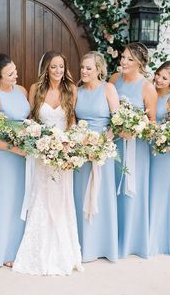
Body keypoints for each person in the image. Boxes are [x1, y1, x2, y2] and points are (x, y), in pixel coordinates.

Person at [13, 51, 83, 275]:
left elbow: (71, 121)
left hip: (63, 153)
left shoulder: (70, 89)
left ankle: (64, 251)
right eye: (54, 67)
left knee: (62, 198)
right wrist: (38, 143)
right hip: (41, 154)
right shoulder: (36, 89)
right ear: (46, 69)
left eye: (61, 66)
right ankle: (38, 250)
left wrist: (69, 148)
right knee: (41, 197)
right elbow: (32, 121)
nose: (58, 71)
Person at [0, 53, 30, 267]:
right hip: (4, 158)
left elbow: (26, 120)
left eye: (15, 70)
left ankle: (19, 250)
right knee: (5, 202)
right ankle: (2, 253)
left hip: (24, 155)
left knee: (21, 202)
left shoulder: (21, 90)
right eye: (10, 73)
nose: (15, 75)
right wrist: (15, 149)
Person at [109, 42, 157, 258]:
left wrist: (135, 129)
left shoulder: (147, 87)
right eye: (123, 57)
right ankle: (111, 238)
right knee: (112, 190)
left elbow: (152, 123)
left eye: (129, 59)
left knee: (132, 192)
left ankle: (131, 243)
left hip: (137, 149)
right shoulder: (114, 80)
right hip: (115, 145)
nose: (124, 62)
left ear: (139, 63)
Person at [74, 51, 119, 262]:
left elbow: (117, 122)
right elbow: (71, 120)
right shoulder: (76, 91)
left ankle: (103, 245)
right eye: (82, 67)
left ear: (99, 70)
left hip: (104, 150)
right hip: (81, 151)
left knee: (102, 195)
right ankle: (83, 245)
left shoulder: (108, 89)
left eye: (88, 68)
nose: (84, 71)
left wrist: (101, 145)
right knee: (80, 194)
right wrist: (81, 142)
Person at [149, 61, 170, 256]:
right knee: (148, 190)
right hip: (147, 148)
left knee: (159, 192)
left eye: (165, 78)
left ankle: (158, 240)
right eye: (158, 74)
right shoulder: (150, 91)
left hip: (163, 153)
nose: (159, 79)